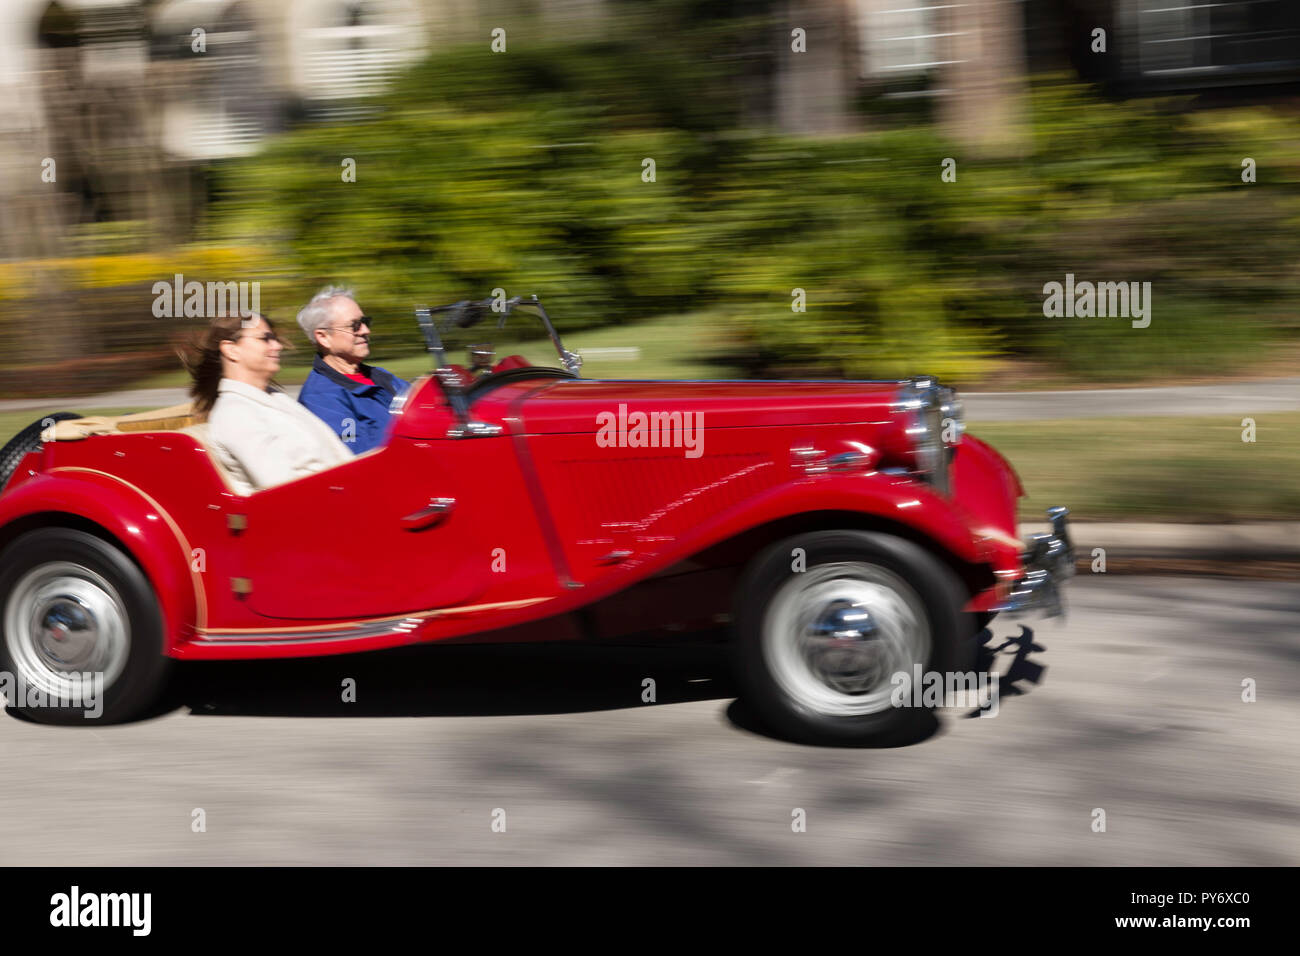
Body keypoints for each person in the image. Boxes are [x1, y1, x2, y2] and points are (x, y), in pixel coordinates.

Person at [188, 313, 350, 493]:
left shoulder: (272, 397)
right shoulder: (236, 415)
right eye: (266, 338)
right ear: (231, 349)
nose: (277, 346)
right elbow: (285, 492)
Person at [295, 287, 409, 454]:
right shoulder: (322, 398)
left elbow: (421, 406)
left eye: (365, 322)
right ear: (323, 337)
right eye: (354, 325)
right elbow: (356, 454)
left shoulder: (380, 376)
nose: (365, 331)